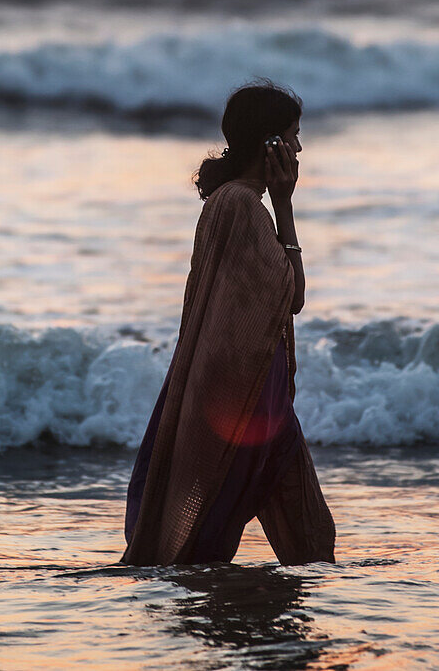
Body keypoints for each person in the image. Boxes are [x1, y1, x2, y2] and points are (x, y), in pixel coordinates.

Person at [121, 80, 336, 566]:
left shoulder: (233, 203)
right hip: (245, 408)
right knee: (230, 544)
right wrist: (285, 205)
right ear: (271, 145)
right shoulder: (242, 207)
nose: (300, 147)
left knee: (310, 539)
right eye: (294, 135)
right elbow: (291, 296)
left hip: (258, 405)